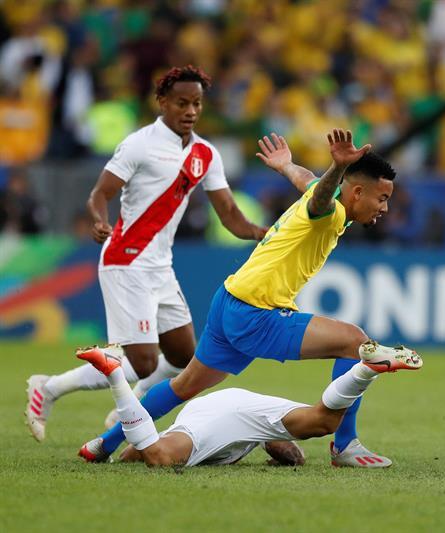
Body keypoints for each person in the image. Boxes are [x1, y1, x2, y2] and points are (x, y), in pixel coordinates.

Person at [79, 128, 420, 468]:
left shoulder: (328, 201)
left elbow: (307, 181)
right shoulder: (330, 212)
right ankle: (345, 446)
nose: (385, 208)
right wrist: (336, 168)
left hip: (228, 299)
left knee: (183, 385)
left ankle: (103, 444)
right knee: (355, 341)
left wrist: (287, 165)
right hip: (256, 313)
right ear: (357, 192)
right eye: (382, 198)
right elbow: (320, 198)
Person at [25, 65, 267, 442]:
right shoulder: (140, 144)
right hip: (125, 260)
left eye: (197, 104)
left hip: (160, 266)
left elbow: (231, 215)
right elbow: (100, 193)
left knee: (185, 357)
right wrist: (99, 220)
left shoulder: (205, 154)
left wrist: (263, 234)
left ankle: (133, 405)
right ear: (163, 102)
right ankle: (48, 388)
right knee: (143, 362)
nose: (190, 111)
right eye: (182, 103)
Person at [74, 341, 420, 468]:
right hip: (241, 405)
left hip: (221, 416)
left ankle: (116, 377)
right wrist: (285, 455)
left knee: (157, 456)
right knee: (323, 420)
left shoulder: (186, 438)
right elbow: (285, 450)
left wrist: (284, 454)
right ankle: (363, 370)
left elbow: (141, 453)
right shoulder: (194, 435)